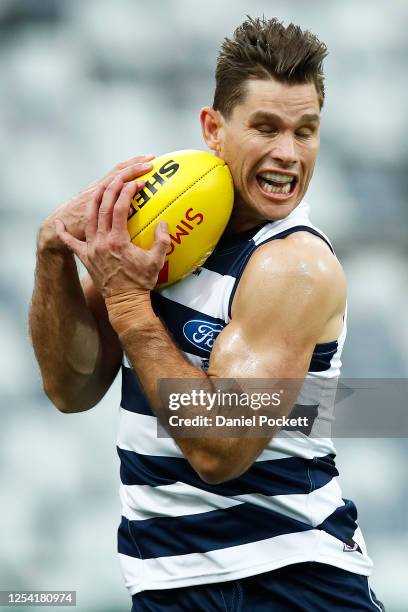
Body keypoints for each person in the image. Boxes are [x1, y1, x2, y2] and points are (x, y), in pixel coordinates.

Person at [29, 16, 385, 612]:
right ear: (213, 129)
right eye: (266, 128)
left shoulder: (292, 265)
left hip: (284, 582)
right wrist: (52, 259)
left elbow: (221, 448)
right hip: (167, 580)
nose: (287, 154)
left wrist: (126, 305)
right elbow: (71, 388)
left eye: (306, 131)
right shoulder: (162, 231)